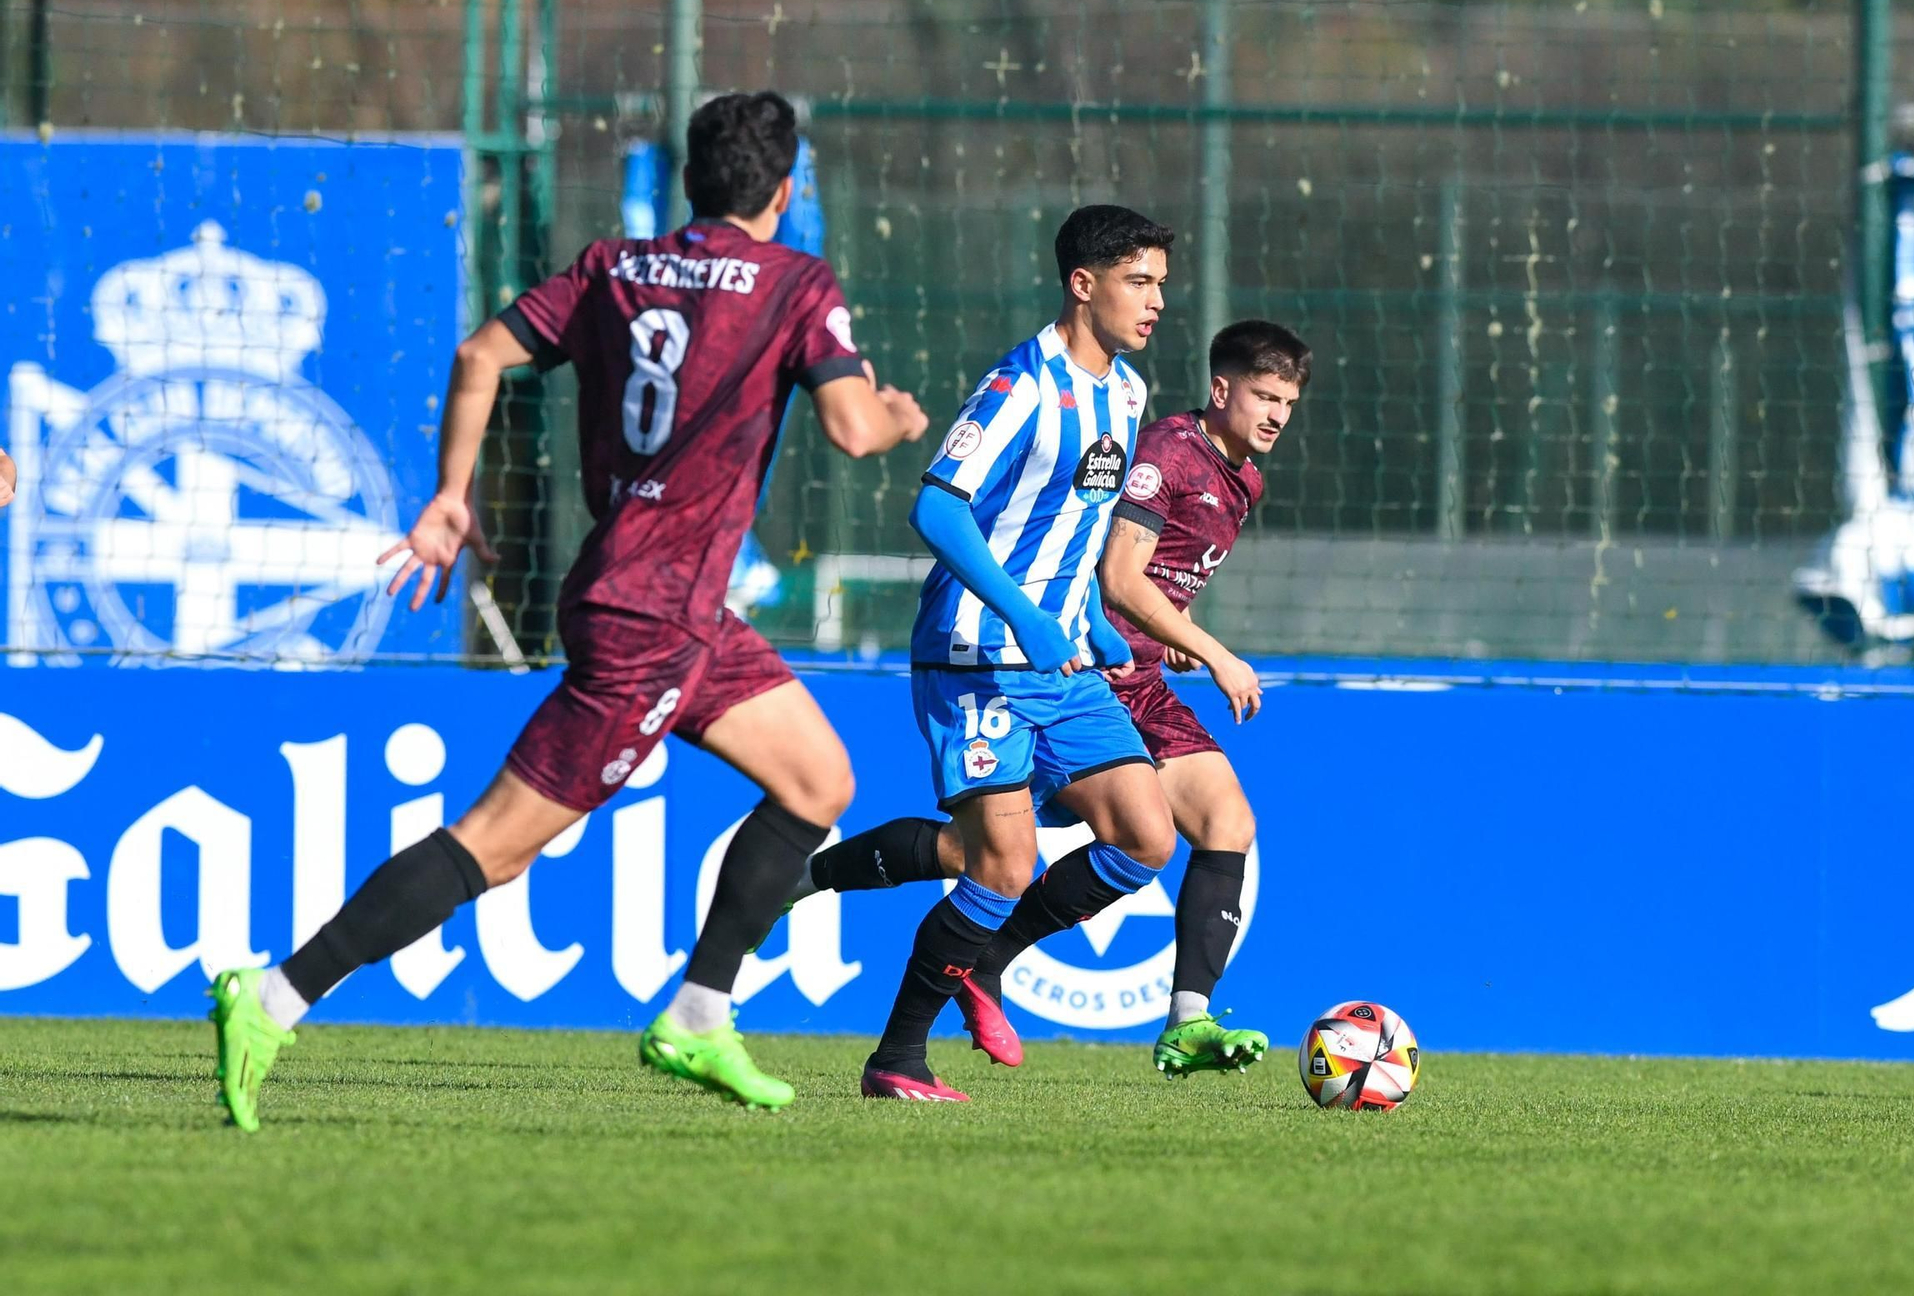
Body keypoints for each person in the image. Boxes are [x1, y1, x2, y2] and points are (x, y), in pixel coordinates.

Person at [206, 91, 929, 1130]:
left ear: (690, 181)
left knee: (816, 780)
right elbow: (855, 429)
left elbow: (476, 357)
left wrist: (450, 497)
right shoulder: (794, 282)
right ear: (783, 189)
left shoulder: (614, 267)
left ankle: (698, 1012)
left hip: (664, 599)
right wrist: (897, 414)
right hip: (651, 620)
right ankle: (273, 995)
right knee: (493, 849)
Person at [785, 321, 1309, 1077]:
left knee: (1171, 827)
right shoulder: (1162, 451)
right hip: (1073, 667)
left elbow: (1145, 584)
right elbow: (1118, 575)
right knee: (996, 857)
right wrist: (1209, 651)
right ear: (1222, 388)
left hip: (1127, 672)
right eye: (1265, 396)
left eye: (1288, 402)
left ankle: (1163, 1012)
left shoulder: (1236, 474)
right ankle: (898, 984)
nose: (1276, 415)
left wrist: (1168, 637)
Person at [860, 204, 1183, 1102]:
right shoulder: (1020, 386)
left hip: (1062, 659)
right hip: (978, 657)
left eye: (1161, 282)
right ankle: (897, 1058)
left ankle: (986, 957)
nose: (1157, 301)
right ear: (1084, 285)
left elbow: (1069, 525)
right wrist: (1024, 615)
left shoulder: (1126, 393)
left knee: (1147, 834)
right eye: (1138, 281)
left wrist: (1089, 616)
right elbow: (937, 507)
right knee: (999, 862)